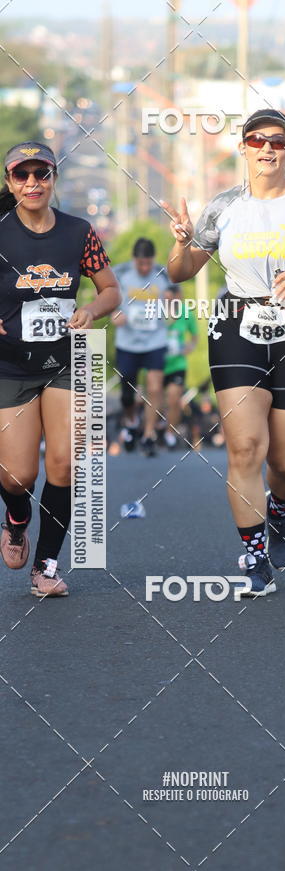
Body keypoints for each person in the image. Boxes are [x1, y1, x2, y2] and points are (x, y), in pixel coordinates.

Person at [162, 108, 285, 596]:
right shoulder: (225, 206)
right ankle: (254, 558)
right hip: (236, 325)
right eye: (257, 140)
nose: (267, 149)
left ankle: (279, 511)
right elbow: (180, 271)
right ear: (244, 148)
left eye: (277, 141)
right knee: (245, 446)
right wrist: (183, 243)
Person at [0, 141, 119, 596]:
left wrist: (92, 310)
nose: (33, 183)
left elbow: (111, 289)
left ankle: (46, 567)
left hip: (65, 361)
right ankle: (16, 519)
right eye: (22, 175)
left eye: (42, 174)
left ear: (53, 178)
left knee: (66, 462)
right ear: (10, 182)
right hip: (9, 366)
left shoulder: (78, 232)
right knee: (17, 477)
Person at [111, 237, 175, 457]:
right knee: (127, 392)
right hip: (127, 342)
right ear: (134, 260)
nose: (145, 267)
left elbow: (177, 300)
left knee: (155, 387)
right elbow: (107, 297)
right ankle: (130, 420)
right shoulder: (120, 274)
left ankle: (148, 435)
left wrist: (171, 304)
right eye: (141, 263)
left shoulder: (163, 274)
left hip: (155, 340)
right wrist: (114, 314)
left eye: (148, 263)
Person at [162, 290, 198, 449]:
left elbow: (195, 336)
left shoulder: (186, 312)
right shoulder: (155, 311)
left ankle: (170, 434)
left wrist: (189, 347)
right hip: (157, 363)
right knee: (156, 400)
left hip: (177, 364)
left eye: (175, 298)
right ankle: (152, 430)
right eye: (168, 298)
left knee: (174, 400)